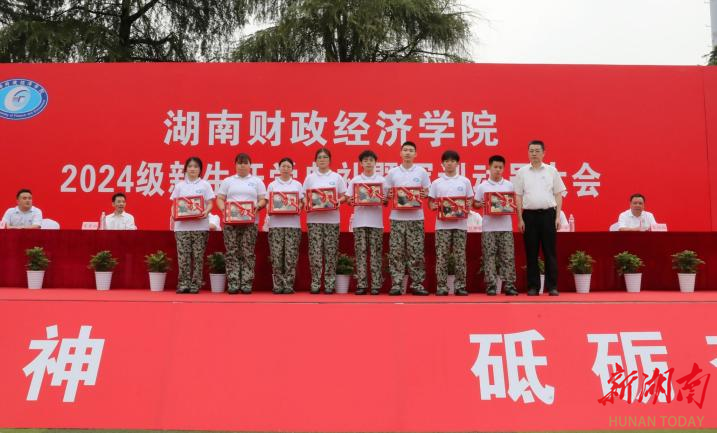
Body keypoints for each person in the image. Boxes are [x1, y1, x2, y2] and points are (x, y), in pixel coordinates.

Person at [514, 140, 566, 296]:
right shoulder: (522, 172)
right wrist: (520, 219)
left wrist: (557, 217)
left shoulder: (551, 171)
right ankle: (533, 287)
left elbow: (558, 194)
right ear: (528, 153)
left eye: (537, 151)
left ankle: (552, 286)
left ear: (544, 153)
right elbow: (518, 196)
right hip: (529, 216)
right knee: (531, 253)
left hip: (548, 215)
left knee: (550, 252)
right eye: (531, 151)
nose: (534, 154)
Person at [216, 153, 267, 294]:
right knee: (231, 251)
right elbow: (220, 198)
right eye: (239, 163)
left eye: (245, 163)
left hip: (250, 222)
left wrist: (258, 206)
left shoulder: (257, 181)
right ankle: (233, 283)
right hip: (230, 222)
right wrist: (224, 209)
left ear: (250, 165)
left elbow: (263, 199)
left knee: (247, 251)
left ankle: (246, 283)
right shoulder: (228, 181)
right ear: (235, 165)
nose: (242, 165)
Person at [385, 141, 431, 296]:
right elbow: (386, 193)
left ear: (415, 154)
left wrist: (424, 194)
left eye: (411, 150)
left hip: (416, 218)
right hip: (397, 218)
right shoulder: (393, 172)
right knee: (396, 252)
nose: (408, 153)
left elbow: (428, 191)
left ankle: (417, 284)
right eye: (405, 150)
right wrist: (390, 195)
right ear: (400, 153)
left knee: (416, 252)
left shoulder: (421, 172)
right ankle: (396, 285)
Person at [428, 150, 473, 296]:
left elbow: (470, 200)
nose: (449, 164)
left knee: (460, 256)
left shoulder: (465, 181)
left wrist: (467, 206)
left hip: (460, 225)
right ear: (442, 164)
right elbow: (430, 203)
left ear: (457, 163)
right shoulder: (436, 183)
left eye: (452, 161)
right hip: (442, 226)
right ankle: (441, 286)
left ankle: (460, 286)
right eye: (447, 161)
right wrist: (434, 206)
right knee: (442, 256)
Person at [303, 148, 347, 294]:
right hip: (314, 220)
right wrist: (307, 203)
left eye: (325, 157)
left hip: (332, 220)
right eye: (319, 157)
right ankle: (315, 283)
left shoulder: (336, 177)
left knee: (331, 252)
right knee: (315, 253)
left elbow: (345, 196)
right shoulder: (310, 178)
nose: (322, 159)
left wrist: (338, 201)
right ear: (315, 161)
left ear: (330, 160)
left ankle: (329, 284)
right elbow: (303, 197)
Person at [474, 155, 518, 296]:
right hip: (489, 227)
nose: (497, 170)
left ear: (503, 169)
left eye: (500, 167)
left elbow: (514, 203)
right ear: (489, 168)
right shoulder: (483, 186)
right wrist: (480, 204)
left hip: (506, 227)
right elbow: (475, 203)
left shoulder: (509, 185)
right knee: (489, 257)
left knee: (508, 257)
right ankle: (491, 286)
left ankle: (509, 285)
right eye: (495, 167)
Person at [170, 157, 215, 293]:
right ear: (185, 169)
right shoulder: (179, 186)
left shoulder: (205, 185)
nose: (192, 169)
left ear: (200, 169)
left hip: (200, 227)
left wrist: (206, 212)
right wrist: (174, 214)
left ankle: (196, 284)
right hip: (182, 227)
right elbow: (174, 204)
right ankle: (183, 284)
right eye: (190, 166)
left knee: (198, 256)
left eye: (196, 166)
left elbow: (210, 203)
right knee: (183, 257)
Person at [346, 150, 387, 295]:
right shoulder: (355, 180)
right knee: (360, 253)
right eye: (365, 160)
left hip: (376, 222)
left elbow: (387, 200)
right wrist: (351, 200)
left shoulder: (382, 181)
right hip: (359, 222)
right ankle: (361, 285)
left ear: (375, 162)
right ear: (361, 163)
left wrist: (384, 200)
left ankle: (376, 285)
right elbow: (348, 199)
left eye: (371, 160)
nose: (368, 163)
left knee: (376, 253)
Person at [266, 157, 304, 294]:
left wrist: (298, 207)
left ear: (292, 169)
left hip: (293, 225)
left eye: (288, 167)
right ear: (279, 168)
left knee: (291, 256)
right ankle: (277, 285)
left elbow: (301, 202)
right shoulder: (272, 185)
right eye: (283, 166)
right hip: (276, 225)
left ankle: (288, 285)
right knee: (276, 256)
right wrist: (270, 208)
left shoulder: (297, 185)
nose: (286, 169)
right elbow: (268, 203)